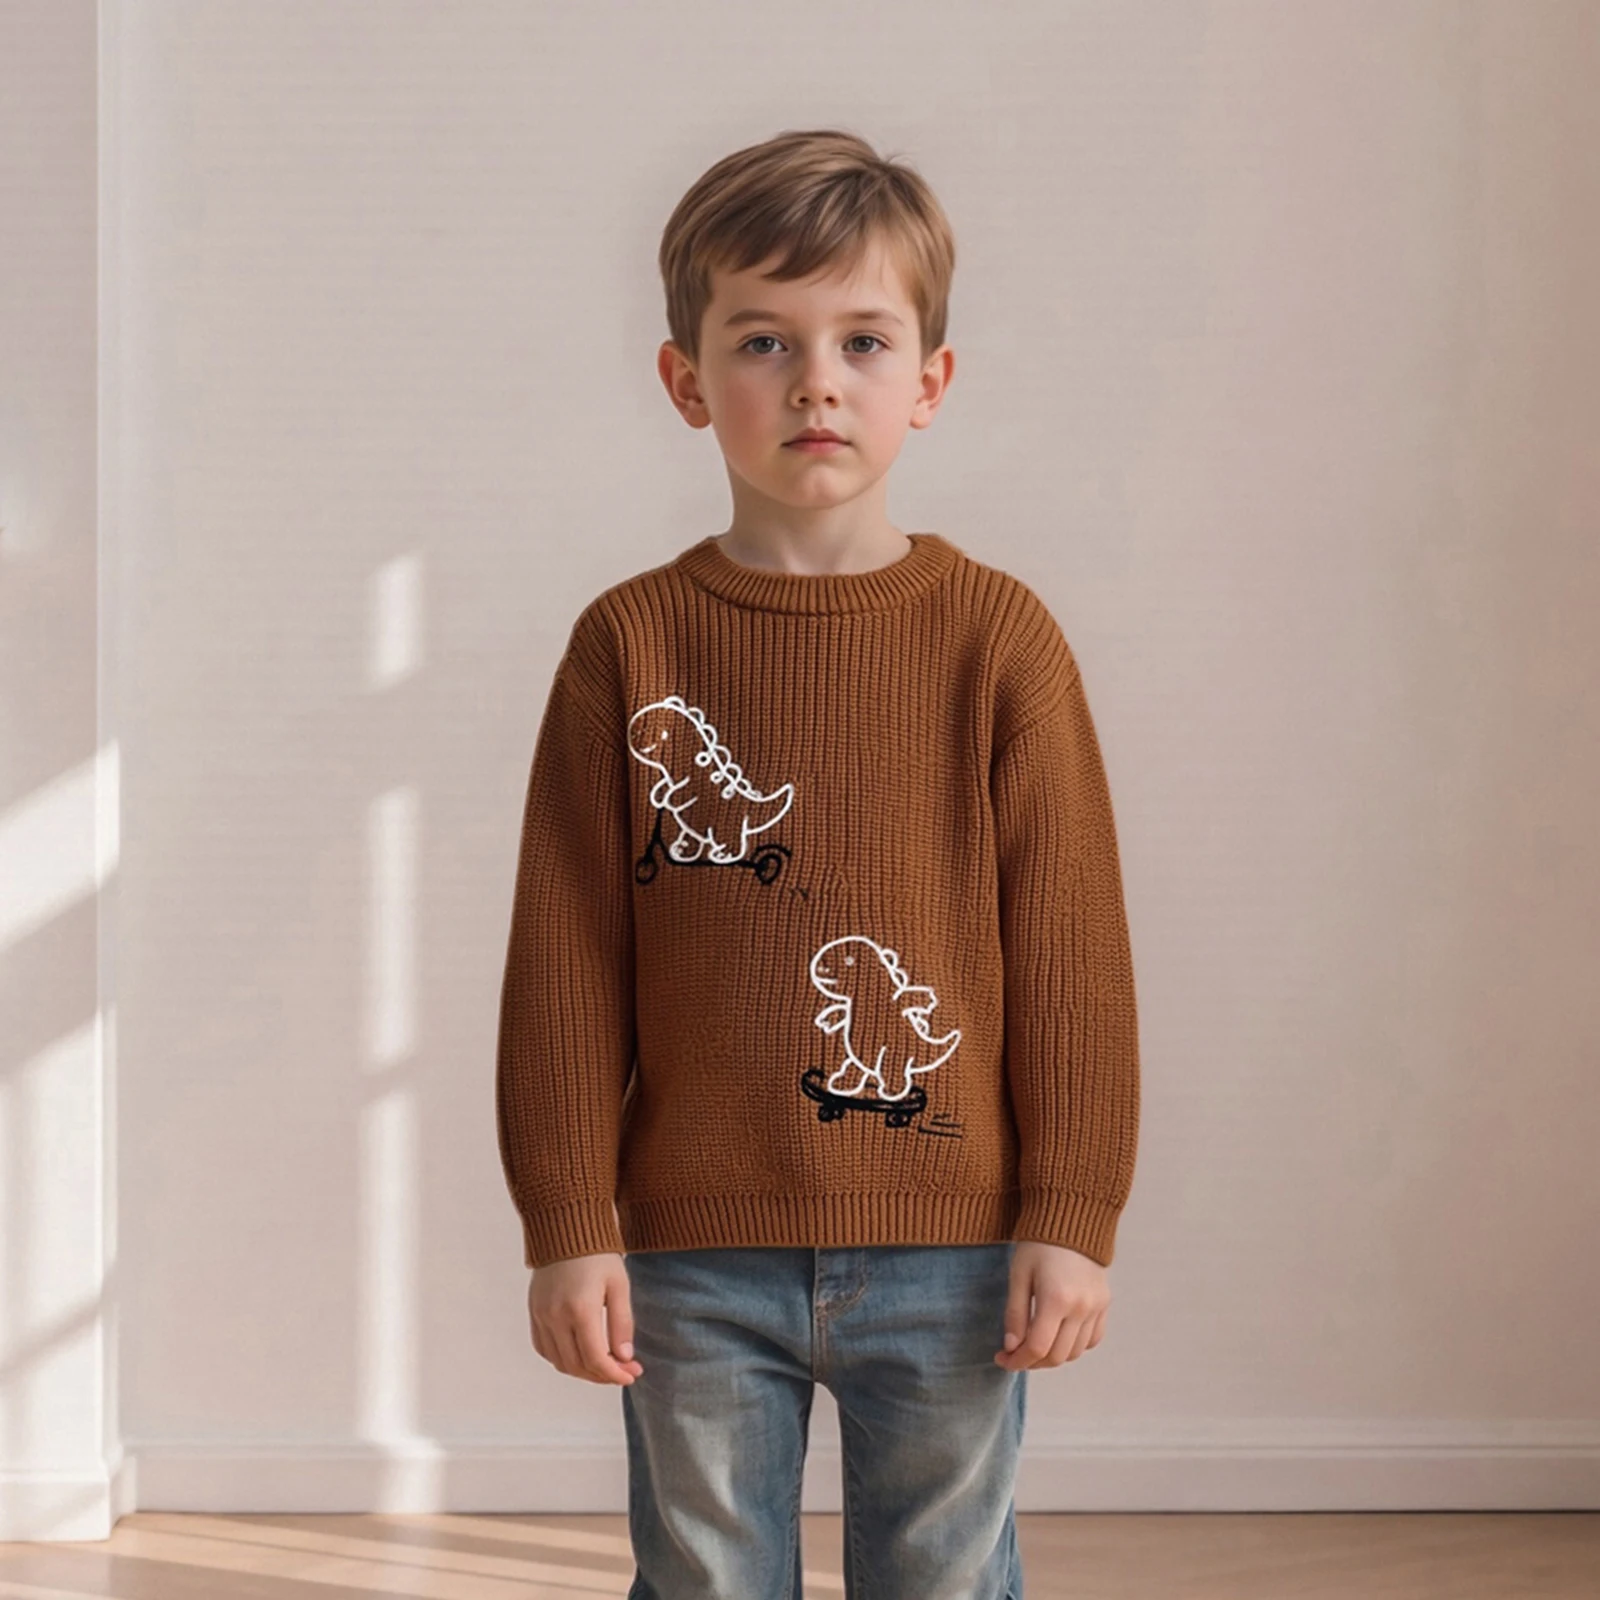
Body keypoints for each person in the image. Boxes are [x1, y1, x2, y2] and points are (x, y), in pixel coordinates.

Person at [496, 126, 1141, 1600]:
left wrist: (1073, 1211)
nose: (815, 383)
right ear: (686, 381)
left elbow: (1072, 951)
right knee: (705, 1579)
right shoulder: (627, 645)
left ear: (930, 380)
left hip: (956, 1245)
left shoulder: (1001, 641)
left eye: (862, 340)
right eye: (763, 342)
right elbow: (567, 958)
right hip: (692, 1254)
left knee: (945, 1576)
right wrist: (567, 1222)